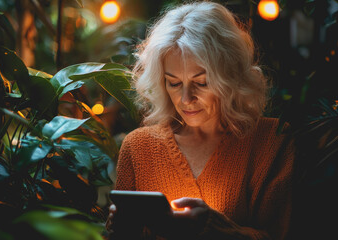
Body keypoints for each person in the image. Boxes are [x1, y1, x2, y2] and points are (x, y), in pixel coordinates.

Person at [106, 1, 294, 239]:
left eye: (201, 82)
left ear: (230, 76)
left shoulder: (270, 140)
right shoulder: (138, 147)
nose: (186, 99)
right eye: (174, 83)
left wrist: (218, 229)